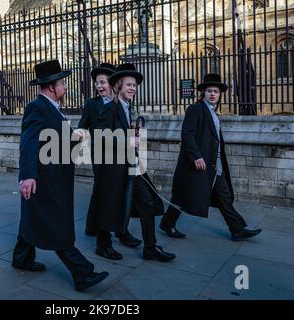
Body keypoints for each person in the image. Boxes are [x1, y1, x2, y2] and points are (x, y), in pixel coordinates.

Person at [11, 60, 109, 292]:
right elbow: (29, 143)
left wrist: (74, 138)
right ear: (51, 87)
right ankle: (82, 273)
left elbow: (52, 140)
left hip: (54, 174)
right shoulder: (37, 107)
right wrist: (27, 176)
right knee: (55, 223)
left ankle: (21, 258)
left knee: (34, 215)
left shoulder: (51, 107)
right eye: (62, 83)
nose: (65, 86)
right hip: (45, 178)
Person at [159, 73, 262, 242]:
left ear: (220, 94)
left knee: (224, 196)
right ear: (203, 93)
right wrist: (196, 156)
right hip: (199, 164)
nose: (213, 94)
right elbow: (188, 134)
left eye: (216, 91)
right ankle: (167, 223)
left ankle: (237, 229)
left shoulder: (213, 113)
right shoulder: (195, 109)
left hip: (215, 165)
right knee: (183, 196)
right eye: (209, 91)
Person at [93, 63, 176, 262]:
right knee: (109, 205)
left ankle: (151, 247)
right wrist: (127, 139)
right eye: (128, 85)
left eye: (134, 86)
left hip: (130, 166)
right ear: (117, 87)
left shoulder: (126, 108)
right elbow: (100, 137)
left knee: (146, 203)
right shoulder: (109, 109)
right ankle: (102, 245)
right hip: (113, 168)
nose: (133, 88)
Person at [78, 62, 142, 249]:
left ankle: (119, 230)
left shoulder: (124, 104)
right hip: (101, 155)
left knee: (115, 194)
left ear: (112, 84)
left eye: (103, 82)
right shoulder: (93, 104)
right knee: (104, 193)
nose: (99, 86)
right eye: (97, 83)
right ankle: (98, 229)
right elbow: (85, 126)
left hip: (121, 155)